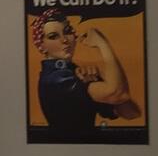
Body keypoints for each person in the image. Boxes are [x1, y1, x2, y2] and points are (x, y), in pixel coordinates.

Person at [30, 9, 141, 138]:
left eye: (67, 31)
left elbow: (131, 113)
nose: (64, 40)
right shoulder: (55, 79)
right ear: (42, 46)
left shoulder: (74, 72)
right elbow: (118, 93)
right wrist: (103, 44)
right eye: (53, 36)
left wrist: (95, 82)